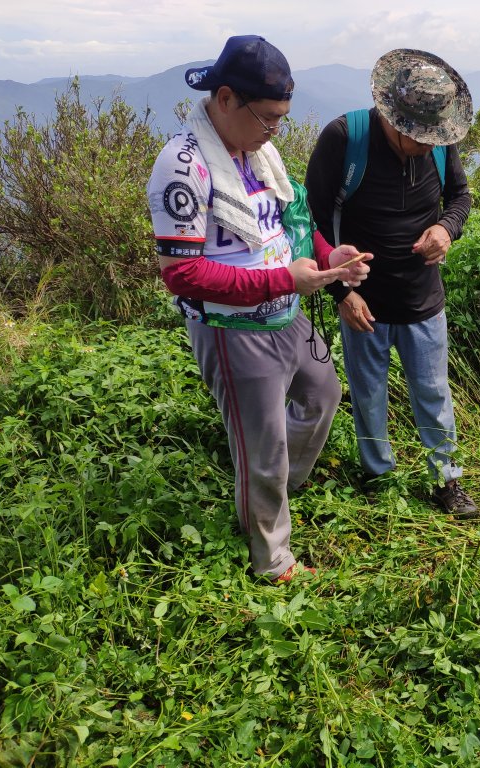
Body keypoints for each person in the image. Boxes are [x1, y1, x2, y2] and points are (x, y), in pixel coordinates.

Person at [146, 35, 371, 582]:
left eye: (281, 120)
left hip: (284, 309)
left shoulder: (258, 152)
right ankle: (271, 560)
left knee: (321, 397)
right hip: (231, 328)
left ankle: (266, 489)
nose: (276, 130)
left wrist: (327, 256)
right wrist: (281, 280)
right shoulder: (183, 167)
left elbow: (291, 223)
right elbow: (182, 275)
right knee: (263, 445)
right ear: (225, 99)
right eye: (268, 118)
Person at [304, 49, 478, 518]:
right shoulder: (345, 139)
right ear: (394, 121)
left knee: (433, 391)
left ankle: (445, 479)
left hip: (423, 296)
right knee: (368, 393)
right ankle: (379, 476)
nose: (430, 148)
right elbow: (311, 219)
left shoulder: (439, 139)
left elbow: (459, 196)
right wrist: (341, 291)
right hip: (364, 300)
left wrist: (445, 229)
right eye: (421, 140)